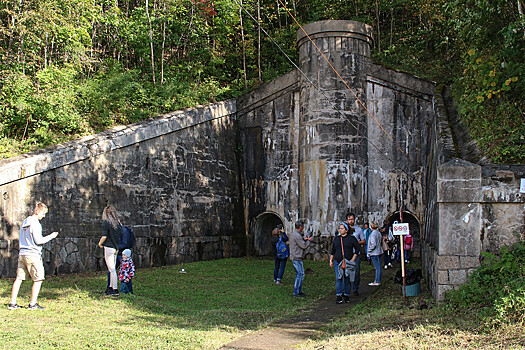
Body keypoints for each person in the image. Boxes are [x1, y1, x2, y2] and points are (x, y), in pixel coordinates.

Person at [9, 202, 59, 310]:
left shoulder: (25, 222)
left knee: (19, 278)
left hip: (22, 253)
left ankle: (12, 303)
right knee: (38, 278)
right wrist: (51, 236)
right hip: (33, 254)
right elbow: (38, 240)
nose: (43, 216)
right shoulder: (35, 224)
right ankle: (33, 303)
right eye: (43, 213)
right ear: (37, 211)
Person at [330, 222, 360, 303]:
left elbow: (357, 249)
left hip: (347, 261)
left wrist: (353, 259)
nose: (340, 230)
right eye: (339, 228)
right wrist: (331, 260)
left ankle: (346, 294)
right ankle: (339, 295)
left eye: (342, 228)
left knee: (347, 278)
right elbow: (333, 250)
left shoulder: (351, 238)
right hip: (338, 261)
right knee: (338, 278)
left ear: (346, 230)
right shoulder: (337, 238)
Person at [98, 205, 122, 296]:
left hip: (109, 247)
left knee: (111, 269)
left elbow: (104, 236)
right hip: (116, 247)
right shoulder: (118, 224)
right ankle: (111, 288)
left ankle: (114, 289)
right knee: (112, 269)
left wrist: (100, 244)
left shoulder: (106, 223)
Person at [289, 220, 312, 297]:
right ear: (301, 227)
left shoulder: (294, 234)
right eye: (302, 227)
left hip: (295, 256)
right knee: (300, 274)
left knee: (299, 274)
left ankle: (298, 290)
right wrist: (309, 240)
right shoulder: (297, 236)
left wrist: (304, 239)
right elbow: (304, 246)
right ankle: (296, 292)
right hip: (297, 257)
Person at [346, 213, 365, 296]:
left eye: (352, 219)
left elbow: (364, 241)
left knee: (356, 271)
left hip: (355, 253)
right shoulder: (344, 229)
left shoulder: (358, 230)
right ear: (347, 220)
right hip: (347, 253)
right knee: (346, 272)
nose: (351, 221)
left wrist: (356, 242)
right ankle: (347, 288)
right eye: (349, 219)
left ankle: (355, 288)